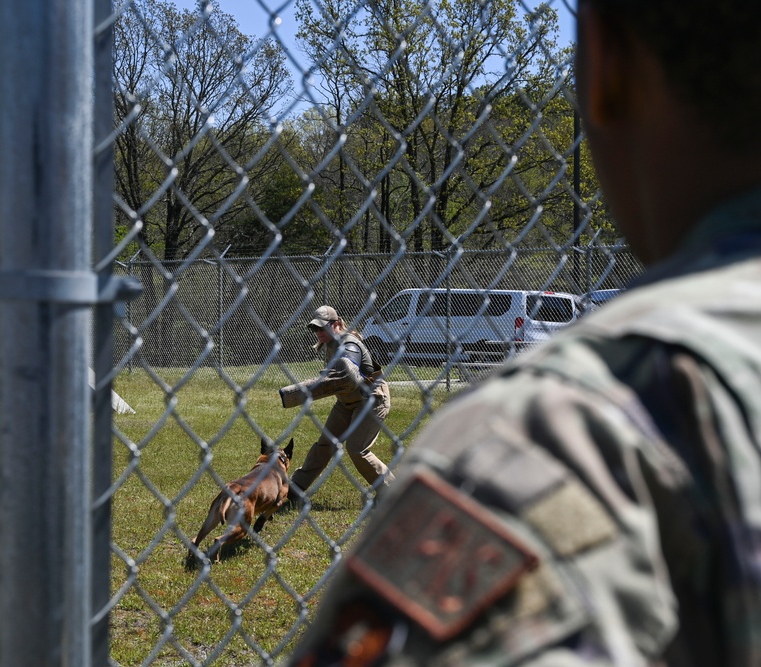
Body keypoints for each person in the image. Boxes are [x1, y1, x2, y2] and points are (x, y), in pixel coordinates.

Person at [287, 0, 761, 664]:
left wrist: (303, 389)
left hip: (367, 406)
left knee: (358, 454)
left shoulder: (563, 430)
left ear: (605, 62)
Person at [279, 305, 395, 505]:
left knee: (357, 449)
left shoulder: (349, 343)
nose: (318, 332)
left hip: (371, 400)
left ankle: (393, 493)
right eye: (315, 329)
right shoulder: (330, 343)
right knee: (325, 444)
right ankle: (295, 489)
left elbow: (348, 373)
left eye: (322, 328)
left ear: (337, 324)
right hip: (347, 401)